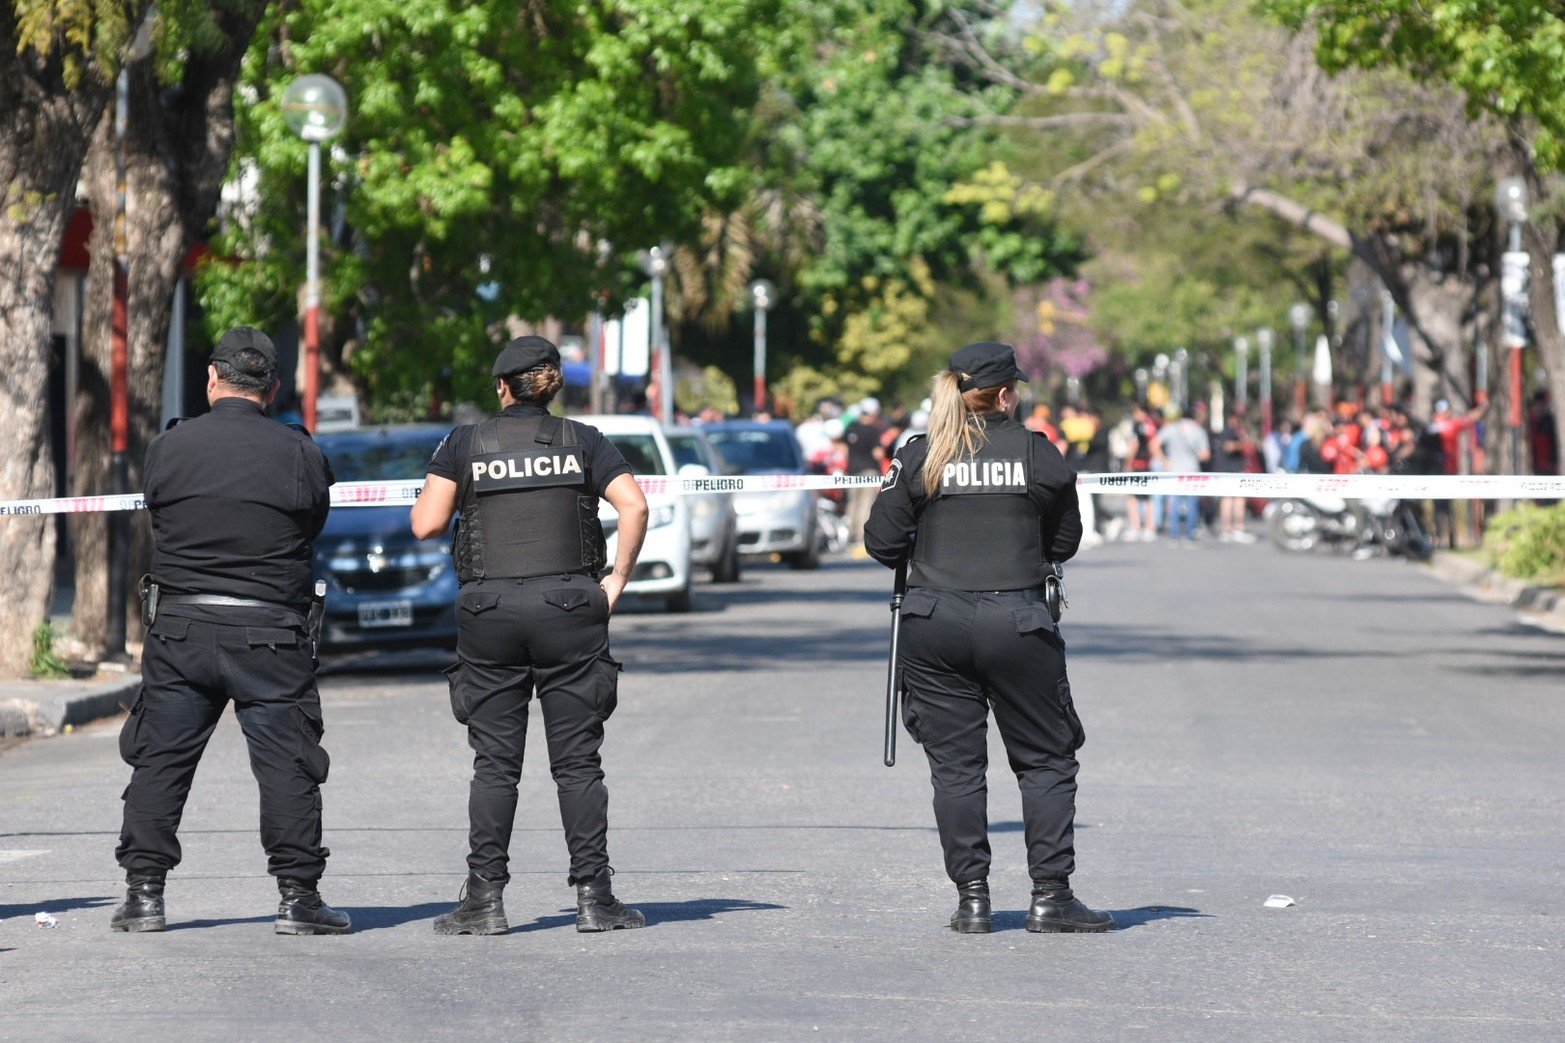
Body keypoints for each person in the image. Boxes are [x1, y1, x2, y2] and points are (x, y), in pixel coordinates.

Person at [864, 341, 1112, 935]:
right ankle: (1050, 896)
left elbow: (881, 543)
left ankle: (972, 900)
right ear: (1005, 395)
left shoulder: (922, 454)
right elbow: (1065, 543)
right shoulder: (1037, 453)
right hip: (1019, 622)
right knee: (1046, 761)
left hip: (934, 624)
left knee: (955, 769)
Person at [411, 335, 650, 936]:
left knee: (495, 764)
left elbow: (426, 524)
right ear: (552, 387)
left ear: (501, 387)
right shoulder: (582, 441)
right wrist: (615, 580)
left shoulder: (466, 442)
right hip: (570, 605)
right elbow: (635, 507)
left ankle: (484, 901)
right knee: (577, 764)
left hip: (489, 611)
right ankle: (595, 899)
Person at [112, 327, 347, 935]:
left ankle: (143, 896)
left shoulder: (170, 448)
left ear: (211, 380)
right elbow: (312, 523)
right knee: (287, 764)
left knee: (160, 760)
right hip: (270, 632)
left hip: (182, 629)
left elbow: (159, 518)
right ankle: (298, 899)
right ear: (270, 389)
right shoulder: (299, 452)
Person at [1152, 407, 1210, 546]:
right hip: (1192, 471)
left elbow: (1154, 444)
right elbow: (1205, 455)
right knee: (1192, 505)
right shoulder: (1198, 430)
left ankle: (1175, 535)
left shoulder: (1171, 428)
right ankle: (1190, 536)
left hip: (1175, 472)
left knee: (1175, 504)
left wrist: (1165, 461)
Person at [844, 396, 889, 546]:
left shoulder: (851, 428)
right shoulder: (873, 431)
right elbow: (878, 453)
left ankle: (849, 533)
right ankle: (860, 536)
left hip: (852, 471)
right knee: (866, 504)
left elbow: (844, 449)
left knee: (852, 503)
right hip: (869, 472)